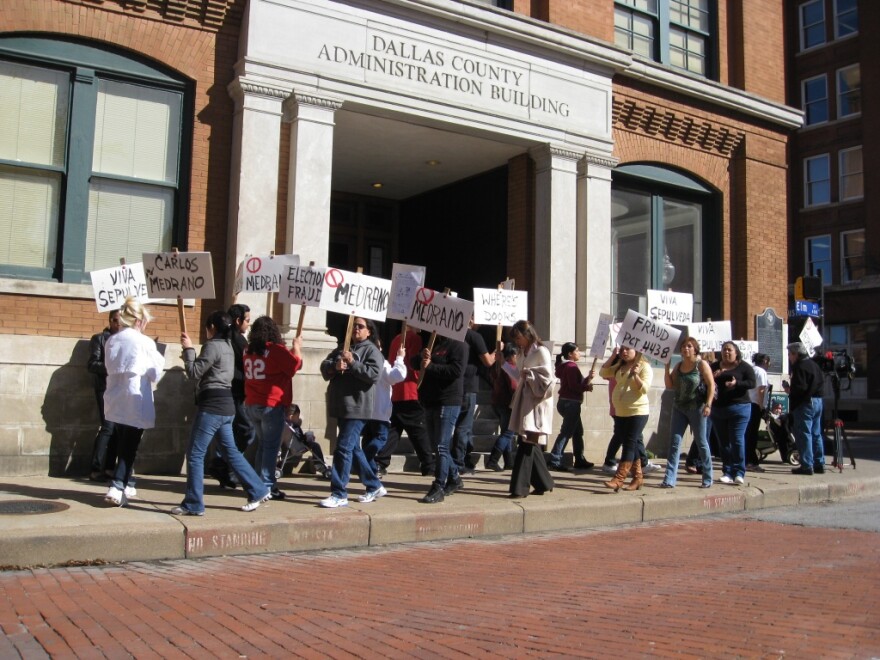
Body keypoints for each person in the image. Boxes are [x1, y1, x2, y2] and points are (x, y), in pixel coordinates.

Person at [173, 311, 270, 515]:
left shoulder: (213, 346)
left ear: (212, 328)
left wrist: (188, 349)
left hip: (212, 406)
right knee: (231, 451)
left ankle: (193, 503)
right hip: (226, 406)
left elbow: (194, 372)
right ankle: (258, 489)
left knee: (195, 454)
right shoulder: (228, 346)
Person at [101, 297, 165, 507]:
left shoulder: (112, 340)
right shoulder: (144, 342)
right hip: (135, 395)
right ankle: (117, 484)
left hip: (115, 395)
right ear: (139, 320)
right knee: (130, 444)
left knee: (122, 440)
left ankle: (126, 482)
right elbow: (155, 373)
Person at [319, 317, 385, 507]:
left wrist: (352, 363)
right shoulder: (343, 347)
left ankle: (339, 493)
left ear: (369, 331)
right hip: (342, 405)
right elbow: (324, 365)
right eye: (354, 325)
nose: (356, 328)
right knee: (353, 449)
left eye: (360, 326)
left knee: (343, 449)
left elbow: (374, 374)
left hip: (357, 407)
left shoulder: (372, 350)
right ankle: (374, 485)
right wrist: (334, 366)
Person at [244, 316, 302, 500]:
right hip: (270, 404)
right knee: (270, 448)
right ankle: (268, 485)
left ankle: (258, 483)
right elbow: (295, 365)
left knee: (263, 445)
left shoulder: (248, 350)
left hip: (252, 403)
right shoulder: (275, 350)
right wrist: (297, 347)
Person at [207, 303, 254, 489]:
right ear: (238, 320)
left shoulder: (226, 337)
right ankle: (223, 463)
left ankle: (224, 467)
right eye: (247, 320)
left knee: (229, 430)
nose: (248, 324)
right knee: (246, 429)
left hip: (232, 391)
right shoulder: (236, 340)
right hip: (235, 392)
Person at [507, 320, 555, 498]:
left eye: (518, 337)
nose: (517, 341)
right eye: (515, 339)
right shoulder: (522, 352)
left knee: (527, 441)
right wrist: (505, 365)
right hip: (524, 399)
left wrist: (531, 374)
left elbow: (548, 378)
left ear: (527, 334)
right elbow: (519, 375)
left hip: (537, 401)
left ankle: (519, 487)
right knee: (529, 441)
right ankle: (543, 482)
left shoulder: (541, 351)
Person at [418, 334, 468, 503]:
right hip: (431, 400)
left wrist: (431, 366)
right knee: (437, 446)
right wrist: (422, 357)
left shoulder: (459, 345)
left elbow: (456, 371)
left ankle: (439, 485)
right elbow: (414, 363)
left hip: (448, 401)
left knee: (441, 445)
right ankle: (455, 478)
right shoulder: (435, 344)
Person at [660, 337, 715, 489]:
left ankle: (708, 477)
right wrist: (666, 368)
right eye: (683, 346)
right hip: (679, 408)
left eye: (689, 346)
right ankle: (669, 479)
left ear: (695, 349)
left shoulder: (701, 364)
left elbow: (711, 385)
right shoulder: (678, 366)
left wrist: (708, 405)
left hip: (697, 408)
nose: (686, 349)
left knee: (701, 442)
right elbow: (670, 385)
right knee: (674, 442)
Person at [600, 345, 652, 492]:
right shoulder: (619, 365)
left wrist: (636, 375)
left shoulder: (644, 366)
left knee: (629, 443)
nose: (624, 352)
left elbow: (645, 389)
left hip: (638, 411)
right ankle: (638, 478)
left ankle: (619, 479)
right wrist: (612, 356)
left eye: (628, 349)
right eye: (622, 349)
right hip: (621, 411)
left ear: (637, 350)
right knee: (631, 444)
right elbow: (603, 372)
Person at [384, 327, 435, 476]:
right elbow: (413, 363)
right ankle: (428, 464)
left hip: (396, 390)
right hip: (410, 389)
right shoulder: (415, 338)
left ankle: (381, 461)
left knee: (394, 430)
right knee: (418, 431)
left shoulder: (396, 338)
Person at [710, 341, 756, 485]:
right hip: (718, 409)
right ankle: (727, 472)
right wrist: (712, 377)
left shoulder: (744, 367)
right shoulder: (714, 366)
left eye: (729, 350)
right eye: (724, 350)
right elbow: (705, 382)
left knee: (737, 440)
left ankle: (739, 472)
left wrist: (737, 384)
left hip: (739, 408)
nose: (726, 352)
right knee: (723, 442)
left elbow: (752, 383)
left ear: (736, 352)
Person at [453, 322, 494, 475]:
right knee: (464, 426)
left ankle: (464, 458)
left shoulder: (452, 333)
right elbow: (488, 361)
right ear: (470, 320)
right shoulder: (474, 336)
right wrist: (498, 351)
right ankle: (458, 461)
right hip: (468, 385)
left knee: (462, 426)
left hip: (454, 385)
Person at [546, 342, 595, 472]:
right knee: (566, 432)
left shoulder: (564, 366)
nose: (579, 353)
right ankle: (555, 459)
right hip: (571, 403)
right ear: (570, 354)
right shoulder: (571, 367)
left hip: (565, 402)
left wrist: (588, 378)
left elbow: (573, 383)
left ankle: (579, 459)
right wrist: (586, 387)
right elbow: (574, 386)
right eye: (577, 351)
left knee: (577, 431)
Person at [362, 337, 407, 475]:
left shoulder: (362, 362)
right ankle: (363, 461)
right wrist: (400, 358)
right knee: (380, 438)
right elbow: (397, 375)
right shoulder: (381, 363)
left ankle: (367, 466)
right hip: (379, 411)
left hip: (366, 410)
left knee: (368, 439)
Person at [87, 309, 121, 482]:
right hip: (105, 388)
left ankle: (109, 467)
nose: (118, 324)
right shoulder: (99, 339)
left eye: (121, 320)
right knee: (107, 427)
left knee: (117, 429)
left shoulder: (126, 340)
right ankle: (95, 469)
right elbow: (92, 364)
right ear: (109, 321)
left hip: (120, 389)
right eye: (115, 320)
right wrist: (112, 367)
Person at [787, 342, 826, 475]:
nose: (789, 358)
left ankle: (807, 465)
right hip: (818, 401)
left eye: (790, 354)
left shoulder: (800, 367)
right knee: (816, 433)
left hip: (805, 403)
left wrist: (790, 392)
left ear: (796, 354)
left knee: (804, 434)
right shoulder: (814, 365)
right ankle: (819, 463)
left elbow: (800, 388)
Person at [484, 344, 518, 471]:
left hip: (497, 402)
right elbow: (513, 387)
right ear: (512, 355)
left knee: (505, 432)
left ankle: (509, 461)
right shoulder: (510, 368)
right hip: (507, 403)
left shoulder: (498, 367)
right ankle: (493, 460)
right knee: (508, 433)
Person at [280, 404, 329, 479]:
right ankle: (321, 466)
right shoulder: (292, 426)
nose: (298, 419)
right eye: (297, 416)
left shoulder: (285, 425)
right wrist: (307, 437)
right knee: (315, 445)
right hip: (298, 446)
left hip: (291, 446)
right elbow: (298, 438)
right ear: (291, 417)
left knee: (310, 438)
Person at [746, 353, 770, 472]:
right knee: (752, 434)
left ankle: (747, 460)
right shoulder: (761, 372)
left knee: (748, 434)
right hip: (755, 405)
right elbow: (761, 390)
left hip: (747, 403)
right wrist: (762, 407)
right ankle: (751, 461)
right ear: (765, 361)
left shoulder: (751, 370)